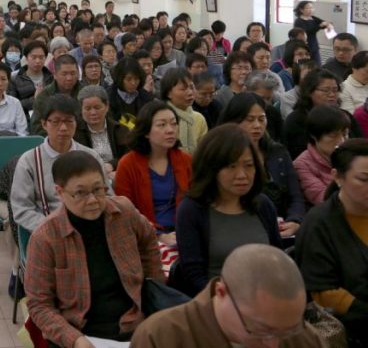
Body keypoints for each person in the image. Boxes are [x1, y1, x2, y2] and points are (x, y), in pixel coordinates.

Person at [26, 151, 163, 347]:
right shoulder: (46, 237)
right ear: (60, 192)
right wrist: (75, 340)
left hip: (134, 324)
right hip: (82, 332)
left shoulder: (123, 212)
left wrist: (153, 288)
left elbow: (149, 240)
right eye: (80, 193)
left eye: (99, 189)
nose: (93, 200)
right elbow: (39, 304)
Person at [132, 243, 326, 347]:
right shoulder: (161, 336)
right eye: (261, 330)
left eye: (285, 331)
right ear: (221, 293)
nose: (273, 344)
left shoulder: (304, 338)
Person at [175, 125, 284, 297]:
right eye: (231, 167)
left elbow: (279, 259)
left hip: (266, 299)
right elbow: (193, 276)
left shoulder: (262, 205)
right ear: (212, 169)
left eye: (249, 165)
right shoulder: (192, 210)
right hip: (217, 303)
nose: (242, 175)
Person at [294, 138, 368, 346]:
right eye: (364, 179)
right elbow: (323, 293)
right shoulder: (320, 224)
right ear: (337, 177)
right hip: (349, 329)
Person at [9, 94, 104, 233]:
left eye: (69, 121)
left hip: (91, 227)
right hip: (50, 232)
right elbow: (22, 208)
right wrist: (54, 228)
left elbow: (107, 197)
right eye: (56, 121)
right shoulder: (29, 161)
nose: (63, 128)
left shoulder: (91, 156)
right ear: (44, 124)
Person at [221, 93, 305, 239]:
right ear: (234, 121)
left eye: (261, 119)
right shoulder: (221, 154)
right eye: (250, 120)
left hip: (281, 226)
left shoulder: (278, 152)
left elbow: (295, 195)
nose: (257, 126)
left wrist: (294, 220)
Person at [114, 100, 192, 246]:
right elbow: (126, 213)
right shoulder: (127, 164)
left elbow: (198, 202)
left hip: (184, 232)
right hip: (145, 236)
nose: (170, 130)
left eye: (174, 124)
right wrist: (158, 236)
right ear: (146, 132)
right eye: (162, 125)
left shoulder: (186, 160)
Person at [294, 105, 350, 206]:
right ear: (314, 136)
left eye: (345, 134)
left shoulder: (353, 154)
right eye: (333, 135)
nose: (342, 141)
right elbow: (323, 199)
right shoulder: (302, 164)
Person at [283, 69, 346, 159]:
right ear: (309, 92)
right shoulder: (296, 120)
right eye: (325, 90)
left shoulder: (344, 116)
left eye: (335, 90)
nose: (332, 94)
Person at [74, 85, 130, 176]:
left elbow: (129, 156)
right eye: (88, 109)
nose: (93, 113)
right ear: (81, 109)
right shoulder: (75, 132)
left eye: (97, 107)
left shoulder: (120, 129)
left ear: (106, 106)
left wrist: (112, 165)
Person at [160, 68, 209, 154]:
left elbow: (204, 153)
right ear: (168, 93)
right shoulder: (160, 119)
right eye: (183, 89)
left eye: (191, 87)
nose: (190, 92)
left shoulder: (199, 119)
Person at [33, 54, 83, 132]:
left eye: (73, 73)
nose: (69, 78)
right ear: (55, 75)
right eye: (64, 74)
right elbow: (36, 127)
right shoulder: (44, 96)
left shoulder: (85, 93)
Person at [9, 40, 53, 115]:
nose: (38, 61)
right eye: (34, 57)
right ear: (26, 58)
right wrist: (35, 99)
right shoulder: (15, 78)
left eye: (41, 57)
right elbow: (12, 105)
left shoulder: (51, 78)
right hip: (24, 118)